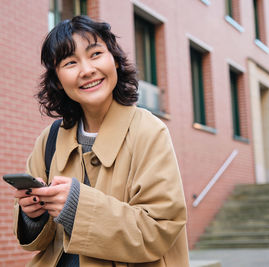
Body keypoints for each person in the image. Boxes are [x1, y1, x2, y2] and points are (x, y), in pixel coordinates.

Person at [13, 15, 190, 267]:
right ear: (58, 80)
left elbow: (159, 230)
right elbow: (37, 242)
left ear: (115, 60)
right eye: (70, 62)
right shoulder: (49, 138)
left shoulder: (149, 131)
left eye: (95, 54)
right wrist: (32, 216)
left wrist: (76, 206)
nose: (87, 70)